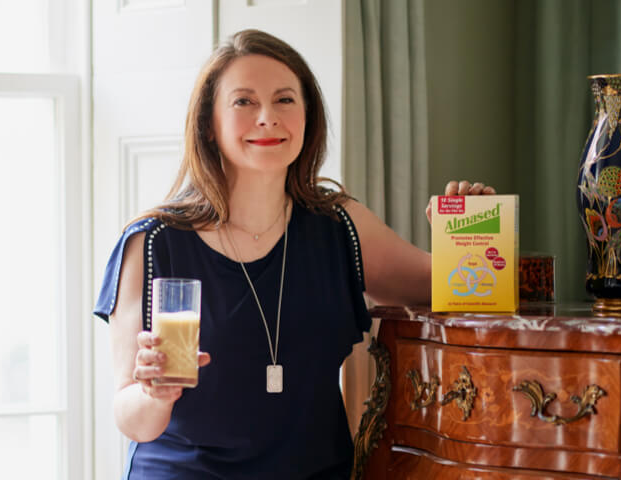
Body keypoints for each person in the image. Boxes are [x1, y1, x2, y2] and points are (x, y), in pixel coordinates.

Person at [94, 29, 496, 479]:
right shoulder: (151, 243)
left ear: (308, 116)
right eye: (243, 101)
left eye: (285, 99)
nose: (267, 117)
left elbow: (461, 288)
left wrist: (471, 231)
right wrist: (155, 394)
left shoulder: (341, 227)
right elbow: (130, 418)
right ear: (209, 123)